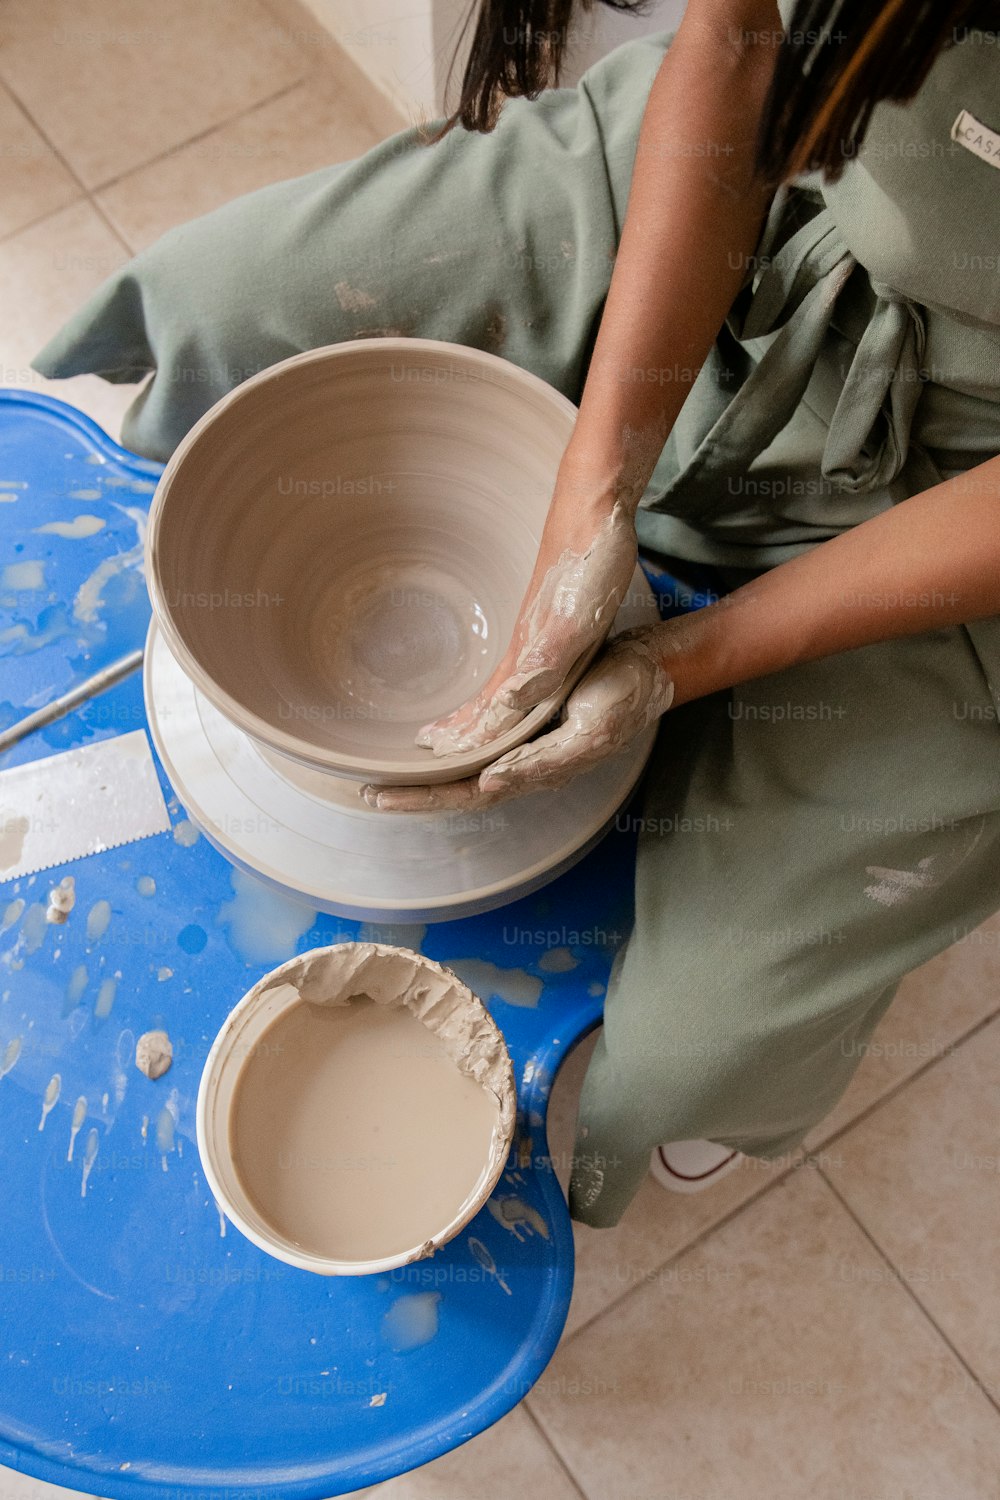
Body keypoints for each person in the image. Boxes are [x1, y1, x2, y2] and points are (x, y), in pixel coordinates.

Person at [35, 0, 1000, 1224]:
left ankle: (721, 993)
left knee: (695, 1043)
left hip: (964, 470)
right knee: (224, 310)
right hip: (770, 178)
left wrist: (676, 665)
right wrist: (593, 490)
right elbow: (733, 44)